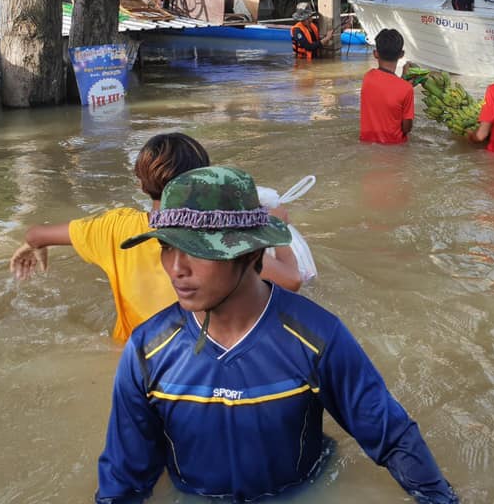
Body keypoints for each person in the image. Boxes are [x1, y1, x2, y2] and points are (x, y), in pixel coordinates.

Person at [95, 166, 459, 504]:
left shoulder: (316, 337)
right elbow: (125, 475)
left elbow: (391, 437)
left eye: (196, 250)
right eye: (166, 246)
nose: (176, 268)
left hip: (301, 492)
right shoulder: (148, 350)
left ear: (250, 251)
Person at [9, 133, 301, 344]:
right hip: (200, 358)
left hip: (134, 357)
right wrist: (277, 231)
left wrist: (33, 245)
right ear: (204, 179)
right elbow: (292, 280)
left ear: (139, 182)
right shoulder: (220, 237)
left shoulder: (114, 229)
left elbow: (36, 233)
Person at [360, 28, 415, 144]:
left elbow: (386, 87)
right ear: (401, 54)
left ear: (375, 54)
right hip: (395, 149)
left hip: (367, 145)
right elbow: (407, 128)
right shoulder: (406, 89)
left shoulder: (367, 78)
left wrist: (403, 80)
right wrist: (404, 81)